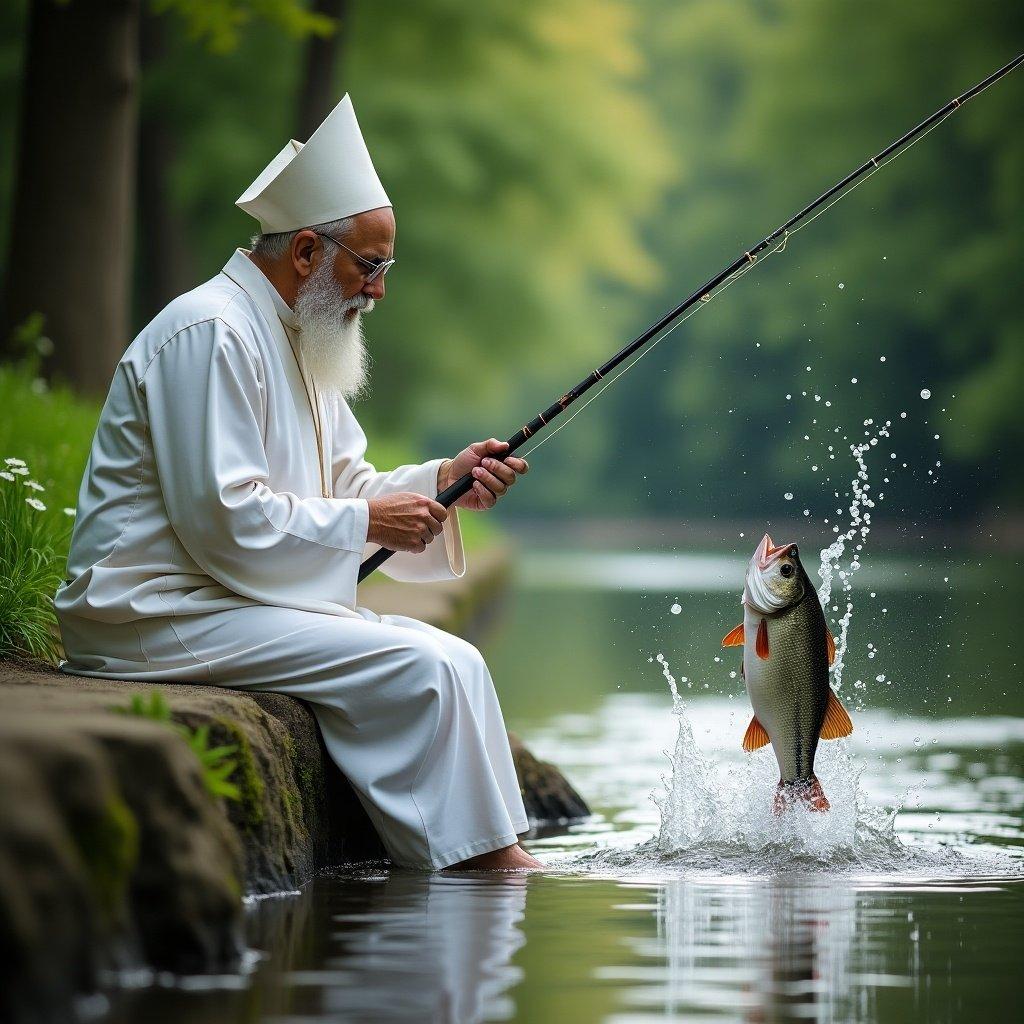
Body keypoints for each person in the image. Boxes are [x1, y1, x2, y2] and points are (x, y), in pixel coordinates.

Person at [55, 95, 541, 871]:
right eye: (370, 265)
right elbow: (223, 521)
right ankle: (488, 876)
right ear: (308, 252)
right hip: (150, 614)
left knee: (459, 661)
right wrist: (369, 525)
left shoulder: (303, 337)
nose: (379, 290)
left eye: (387, 267)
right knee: (426, 671)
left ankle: (494, 865)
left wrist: (444, 482)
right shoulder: (212, 331)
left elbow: (349, 483)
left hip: (223, 602)